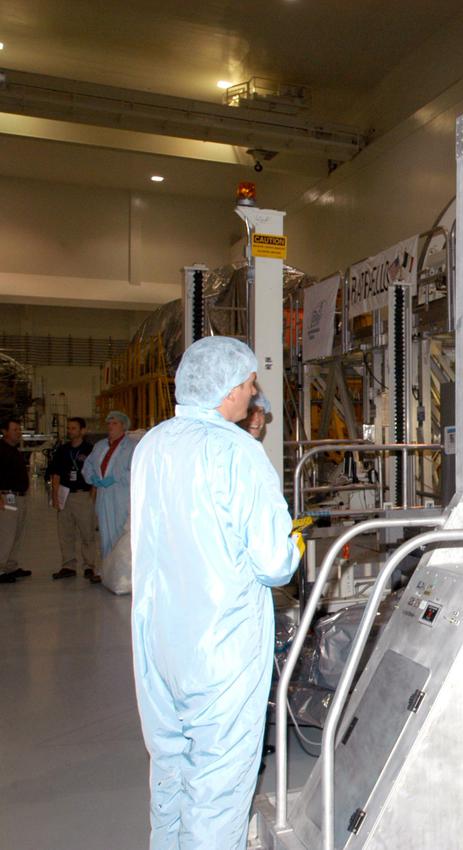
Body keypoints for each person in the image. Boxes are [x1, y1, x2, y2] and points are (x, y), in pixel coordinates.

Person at [131, 335, 302, 850]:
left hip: (159, 642)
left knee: (171, 771)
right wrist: (292, 539)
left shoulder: (153, 444)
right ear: (228, 390)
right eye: (250, 384)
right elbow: (274, 564)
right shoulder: (239, 454)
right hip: (221, 649)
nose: (254, 396)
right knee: (219, 784)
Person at [83, 410, 138, 575]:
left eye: (115, 423)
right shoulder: (100, 446)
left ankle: (123, 573)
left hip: (121, 495)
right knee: (105, 533)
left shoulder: (131, 446)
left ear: (123, 426)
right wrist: (92, 478)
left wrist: (115, 478)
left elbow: (136, 470)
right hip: (103, 495)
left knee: (121, 533)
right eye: (109, 423)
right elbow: (88, 465)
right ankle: (108, 571)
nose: (110, 427)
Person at [49, 417, 99, 581]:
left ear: (82, 431)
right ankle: (68, 565)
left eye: (74, 428)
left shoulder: (90, 450)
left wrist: (92, 495)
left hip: (82, 494)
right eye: (69, 428)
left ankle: (89, 566)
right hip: (65, 494)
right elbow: (55, 474)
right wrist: (55, 497)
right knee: (65, 533)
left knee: (87, 532)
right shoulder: (62, 450)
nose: (70, 431)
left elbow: (95, 474)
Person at [0, 416, 32, 584]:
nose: (18, 432)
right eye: (15, 429)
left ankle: (10, 566)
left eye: (19, 429)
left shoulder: (15, 450)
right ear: (4, 432)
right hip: (7, 497)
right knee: (6, 533)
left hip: (18, 497)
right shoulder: (1, 450)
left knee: (17, 532)